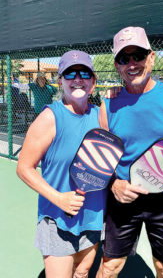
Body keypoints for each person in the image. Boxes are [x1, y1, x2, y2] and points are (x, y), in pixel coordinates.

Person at [96, 26, 163, 278]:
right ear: (117, 65)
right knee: (110, 266)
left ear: (151, 57)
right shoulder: (108, 103)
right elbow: (103, 159)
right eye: (124, 58)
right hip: (124, 197)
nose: (132, 64)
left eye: (138, 56)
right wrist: (114, 185)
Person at [17, 50, 108, 278]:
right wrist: (59, 198)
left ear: (93, 81)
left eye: (85, 73)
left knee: (82, 272)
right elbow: (24, 168)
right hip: (58, 218)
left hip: (93, 214)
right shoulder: (49, 117)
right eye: (70, 74)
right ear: (61, 81)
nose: (78, 79)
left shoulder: (101, 117)